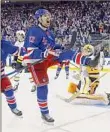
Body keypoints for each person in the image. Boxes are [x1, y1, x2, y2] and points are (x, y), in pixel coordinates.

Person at [23, 9, 102, 123]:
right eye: (45, 15)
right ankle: (44, 113)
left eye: (49, 15)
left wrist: (60, 47)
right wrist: (43, 53)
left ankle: (89, 62)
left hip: (48, 58)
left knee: (68, 53)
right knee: (43, 86)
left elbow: (53, 46)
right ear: (39, 18)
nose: (48, 17)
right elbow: (29, 50)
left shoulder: (50, 33)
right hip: (36, 61)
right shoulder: (33, 31)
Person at [1, 39, 23, 116]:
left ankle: (13, 108)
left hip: (2, 76)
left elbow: (20, 51)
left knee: (9, 90)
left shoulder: (4, 44)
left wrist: (21, 62)